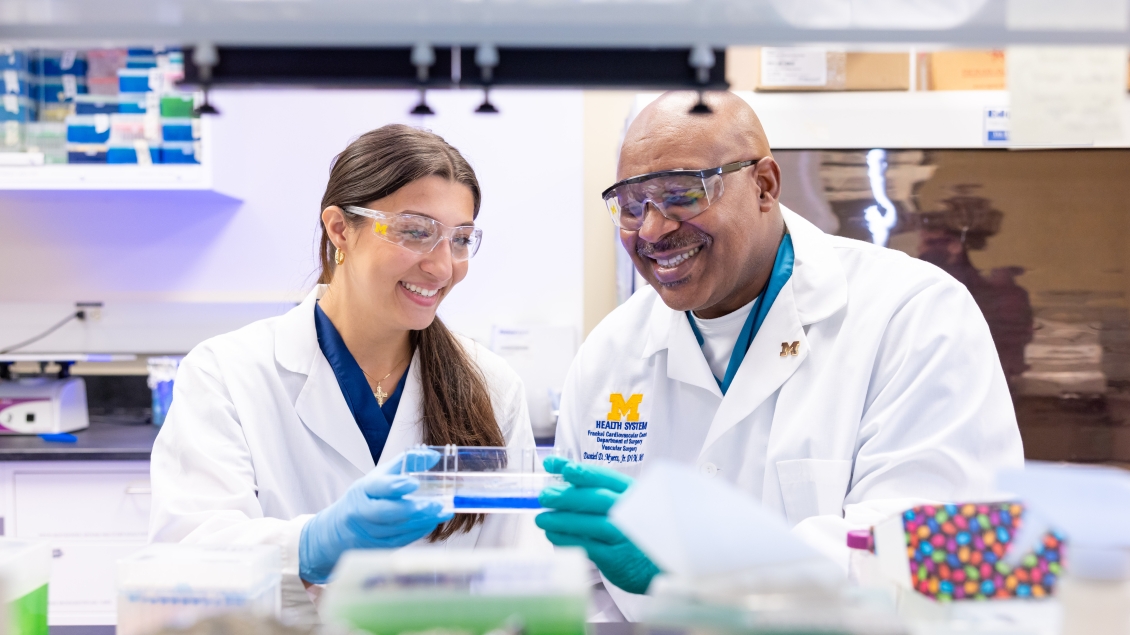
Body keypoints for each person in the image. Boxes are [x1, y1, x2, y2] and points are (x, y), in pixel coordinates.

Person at [536, 92, 1024, 620]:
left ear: (764, 185)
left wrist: (698, 574)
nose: (652, 230)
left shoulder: (913, 316)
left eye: (682, 194)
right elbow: (585, 592)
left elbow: (937, 563)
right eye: (632, 206)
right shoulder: (611, 354)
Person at [150, 125, 545, 624]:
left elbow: (520, 578)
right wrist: (311, 546)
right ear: (340, 229)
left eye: (461, 239)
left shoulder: (490, 386)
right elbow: (187, 562)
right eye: (416, 231)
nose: (443, 266)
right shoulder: (227, 373)